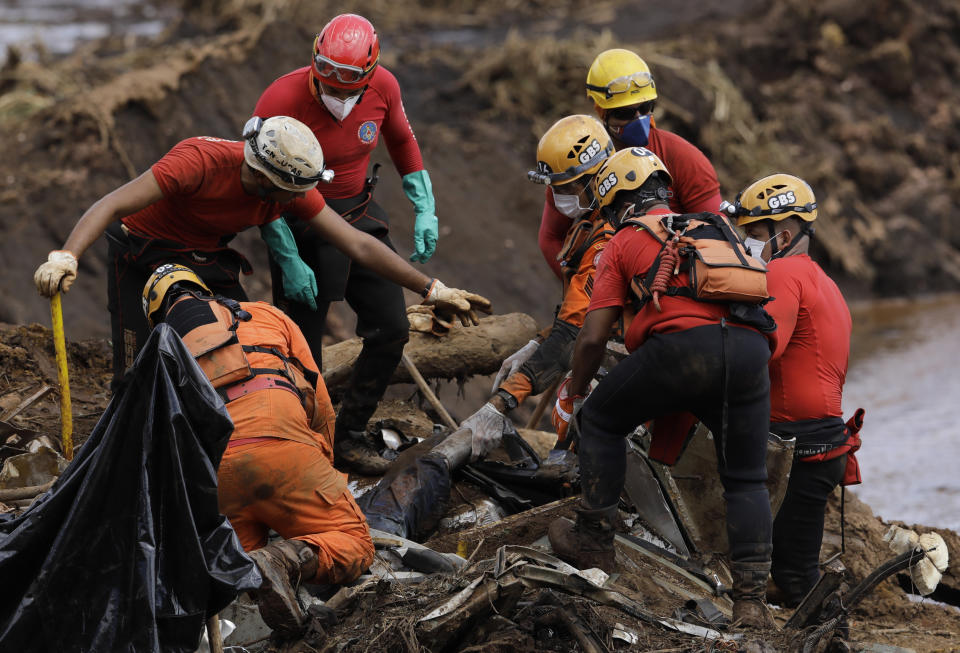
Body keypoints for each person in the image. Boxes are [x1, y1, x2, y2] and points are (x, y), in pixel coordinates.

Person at [32, 115, 490, 399]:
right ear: (263, 174)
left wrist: (433, 288)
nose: (294, 200)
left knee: (243, 341)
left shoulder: (286, 191)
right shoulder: (198, 161)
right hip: (140, 251)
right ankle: (128, 451)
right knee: (134, 368)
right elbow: (111, 203)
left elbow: (357, 242)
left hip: (206, 256)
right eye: (287, 191)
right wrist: (67, 255)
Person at [547, 146, 777, 628]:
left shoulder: (626, 239)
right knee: (746, 478)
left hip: (682, 352)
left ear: (615, 203)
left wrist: (577, 388)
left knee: (602, 420)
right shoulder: (718, 226)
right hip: (750, 353)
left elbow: (592, 336)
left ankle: (594, 544)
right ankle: (752, 603)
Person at [253, 14, 440, 474]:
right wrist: (286, 255)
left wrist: (424, 203)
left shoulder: (384, 89)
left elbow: (402, 139)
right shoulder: (282, 97)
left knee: (392, 327)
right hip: (297, 223)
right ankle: (305, 443)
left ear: (370, 73)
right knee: (302, 349)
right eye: (327, 80)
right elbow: (256, 181)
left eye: (349, 83)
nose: (336, 92)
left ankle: (349, 432)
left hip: (358, 215)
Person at [140, 264, 368, 636]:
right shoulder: (265, 314)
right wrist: (319, 465)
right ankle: (285, 558)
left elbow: (156, 449)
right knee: (352, 540)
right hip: (284, 446)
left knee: (242, 576)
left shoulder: (156, 357)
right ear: (203, 290)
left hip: (217, 479)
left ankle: (274, 610)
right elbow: (320, 403)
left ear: (157, 318)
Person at [732, 174, 857, 608]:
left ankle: (837, 636)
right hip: (821, 440)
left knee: (794, 574)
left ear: (783, 235)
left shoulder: (783, 271)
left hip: (803, 447)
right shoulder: (823, 280)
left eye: (753, 236)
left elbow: (764, 349)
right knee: (792, 570)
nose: (748, 246)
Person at [461, 115, 615, 458]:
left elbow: (575, 334)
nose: (557, 196)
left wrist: (500, 404)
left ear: (595, 179)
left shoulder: (611, 238)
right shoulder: (592, 223)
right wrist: (536, 343)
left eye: (563, 188)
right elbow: (577, 312)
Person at [537, 48, 722, 280]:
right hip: (605, 276)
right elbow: (550, 237)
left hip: (670, 279)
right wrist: (577, 291)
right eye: (625, 112)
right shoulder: (577, 161)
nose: (638, 119)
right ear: (599, 108)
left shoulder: (682, 157)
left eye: (645, 109)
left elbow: (719, 233)